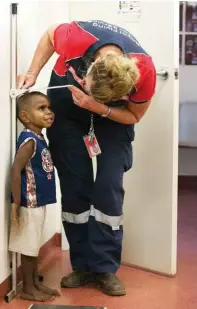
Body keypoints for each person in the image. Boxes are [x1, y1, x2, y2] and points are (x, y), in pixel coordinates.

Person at [17, 20, 156, 296]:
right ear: (89, 68)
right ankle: (82, 265)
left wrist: (98, 107)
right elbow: (48, 35)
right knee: (74, 182)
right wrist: (33, 73)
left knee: (108, 187)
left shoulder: (145, 71)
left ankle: (104, 268)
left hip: (112, 117)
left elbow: (134, 115)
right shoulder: (77, 37)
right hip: (68, 109)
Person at [8, 91, 60, 301]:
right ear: (25, 116)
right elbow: (15, 170)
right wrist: (16, 203)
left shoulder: (39, 138)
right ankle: (28, 288)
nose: (49, 112)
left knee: (33, 245)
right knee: (28, 248)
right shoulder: (29, 140)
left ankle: (35, 283)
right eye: (41, 108)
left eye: (49, 108)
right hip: (29, 203)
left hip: (38, 201)